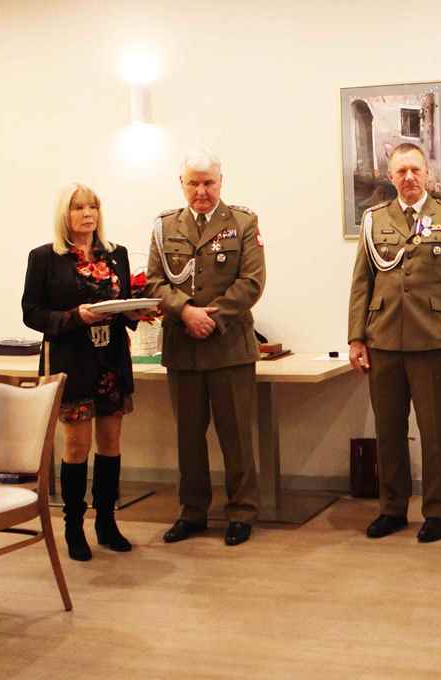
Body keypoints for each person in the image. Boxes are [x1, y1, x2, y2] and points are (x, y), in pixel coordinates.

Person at [347, 142, 441, 543]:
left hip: (431, 341)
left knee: (436, 432)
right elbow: (362, 282)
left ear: (427, 173)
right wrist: (356, 338)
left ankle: (438, 512)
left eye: (415, 170)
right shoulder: (374, 220)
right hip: (383, 339)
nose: (409, 178)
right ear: (391, 177)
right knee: (388, 430)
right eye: (401, 171)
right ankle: (392, 509)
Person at [146, 150, 266, 547]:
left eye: (208, 183)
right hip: (183, 348)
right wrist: (185, 311)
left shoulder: (243, 223)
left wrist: (211, 317)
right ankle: (192, 512)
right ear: (181, 184)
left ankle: (242, 512)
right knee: (188, 437)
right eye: (193, 183)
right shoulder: (165, 227)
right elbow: (154, 281)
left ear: (221, 182)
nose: (201, 191)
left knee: (236, 435)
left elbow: (252, 281)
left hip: (229, 347)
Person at [22, 183, 140, 561]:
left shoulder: (116, 254)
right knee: (76, 445)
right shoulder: (45, 257)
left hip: (111, 359)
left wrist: (136, 312)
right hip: (72, 361)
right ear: (65, 214)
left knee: (111, 442)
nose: (88, 213)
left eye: (93, 206)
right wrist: (74, 317)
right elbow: (32, 313)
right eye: (78, 207)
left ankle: (107, 522)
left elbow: (122, 305)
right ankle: (74, 527)